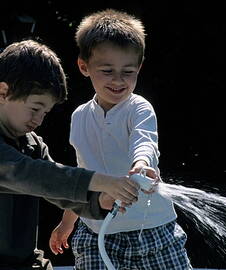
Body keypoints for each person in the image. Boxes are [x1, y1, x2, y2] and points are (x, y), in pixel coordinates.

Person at [49, 9, 193, 270]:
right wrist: (68, 222)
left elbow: (145, 141)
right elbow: (83, 175)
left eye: (128, 71)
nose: (118, 80)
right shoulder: (79, 117)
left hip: (152, 229)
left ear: (139, 67)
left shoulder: (139, 108)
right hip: (96, 231)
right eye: (107, 70)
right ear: (84, 67)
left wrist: (141, 164)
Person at [0, 39, 158, 270]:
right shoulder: (16, 159)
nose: (39, 119)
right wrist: (105, 182)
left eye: (45, 112)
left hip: (25, 262)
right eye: (35, 108)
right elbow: (37, 175)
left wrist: (100, 200)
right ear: (3, 92)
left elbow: (61, 192)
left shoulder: (32, 145)